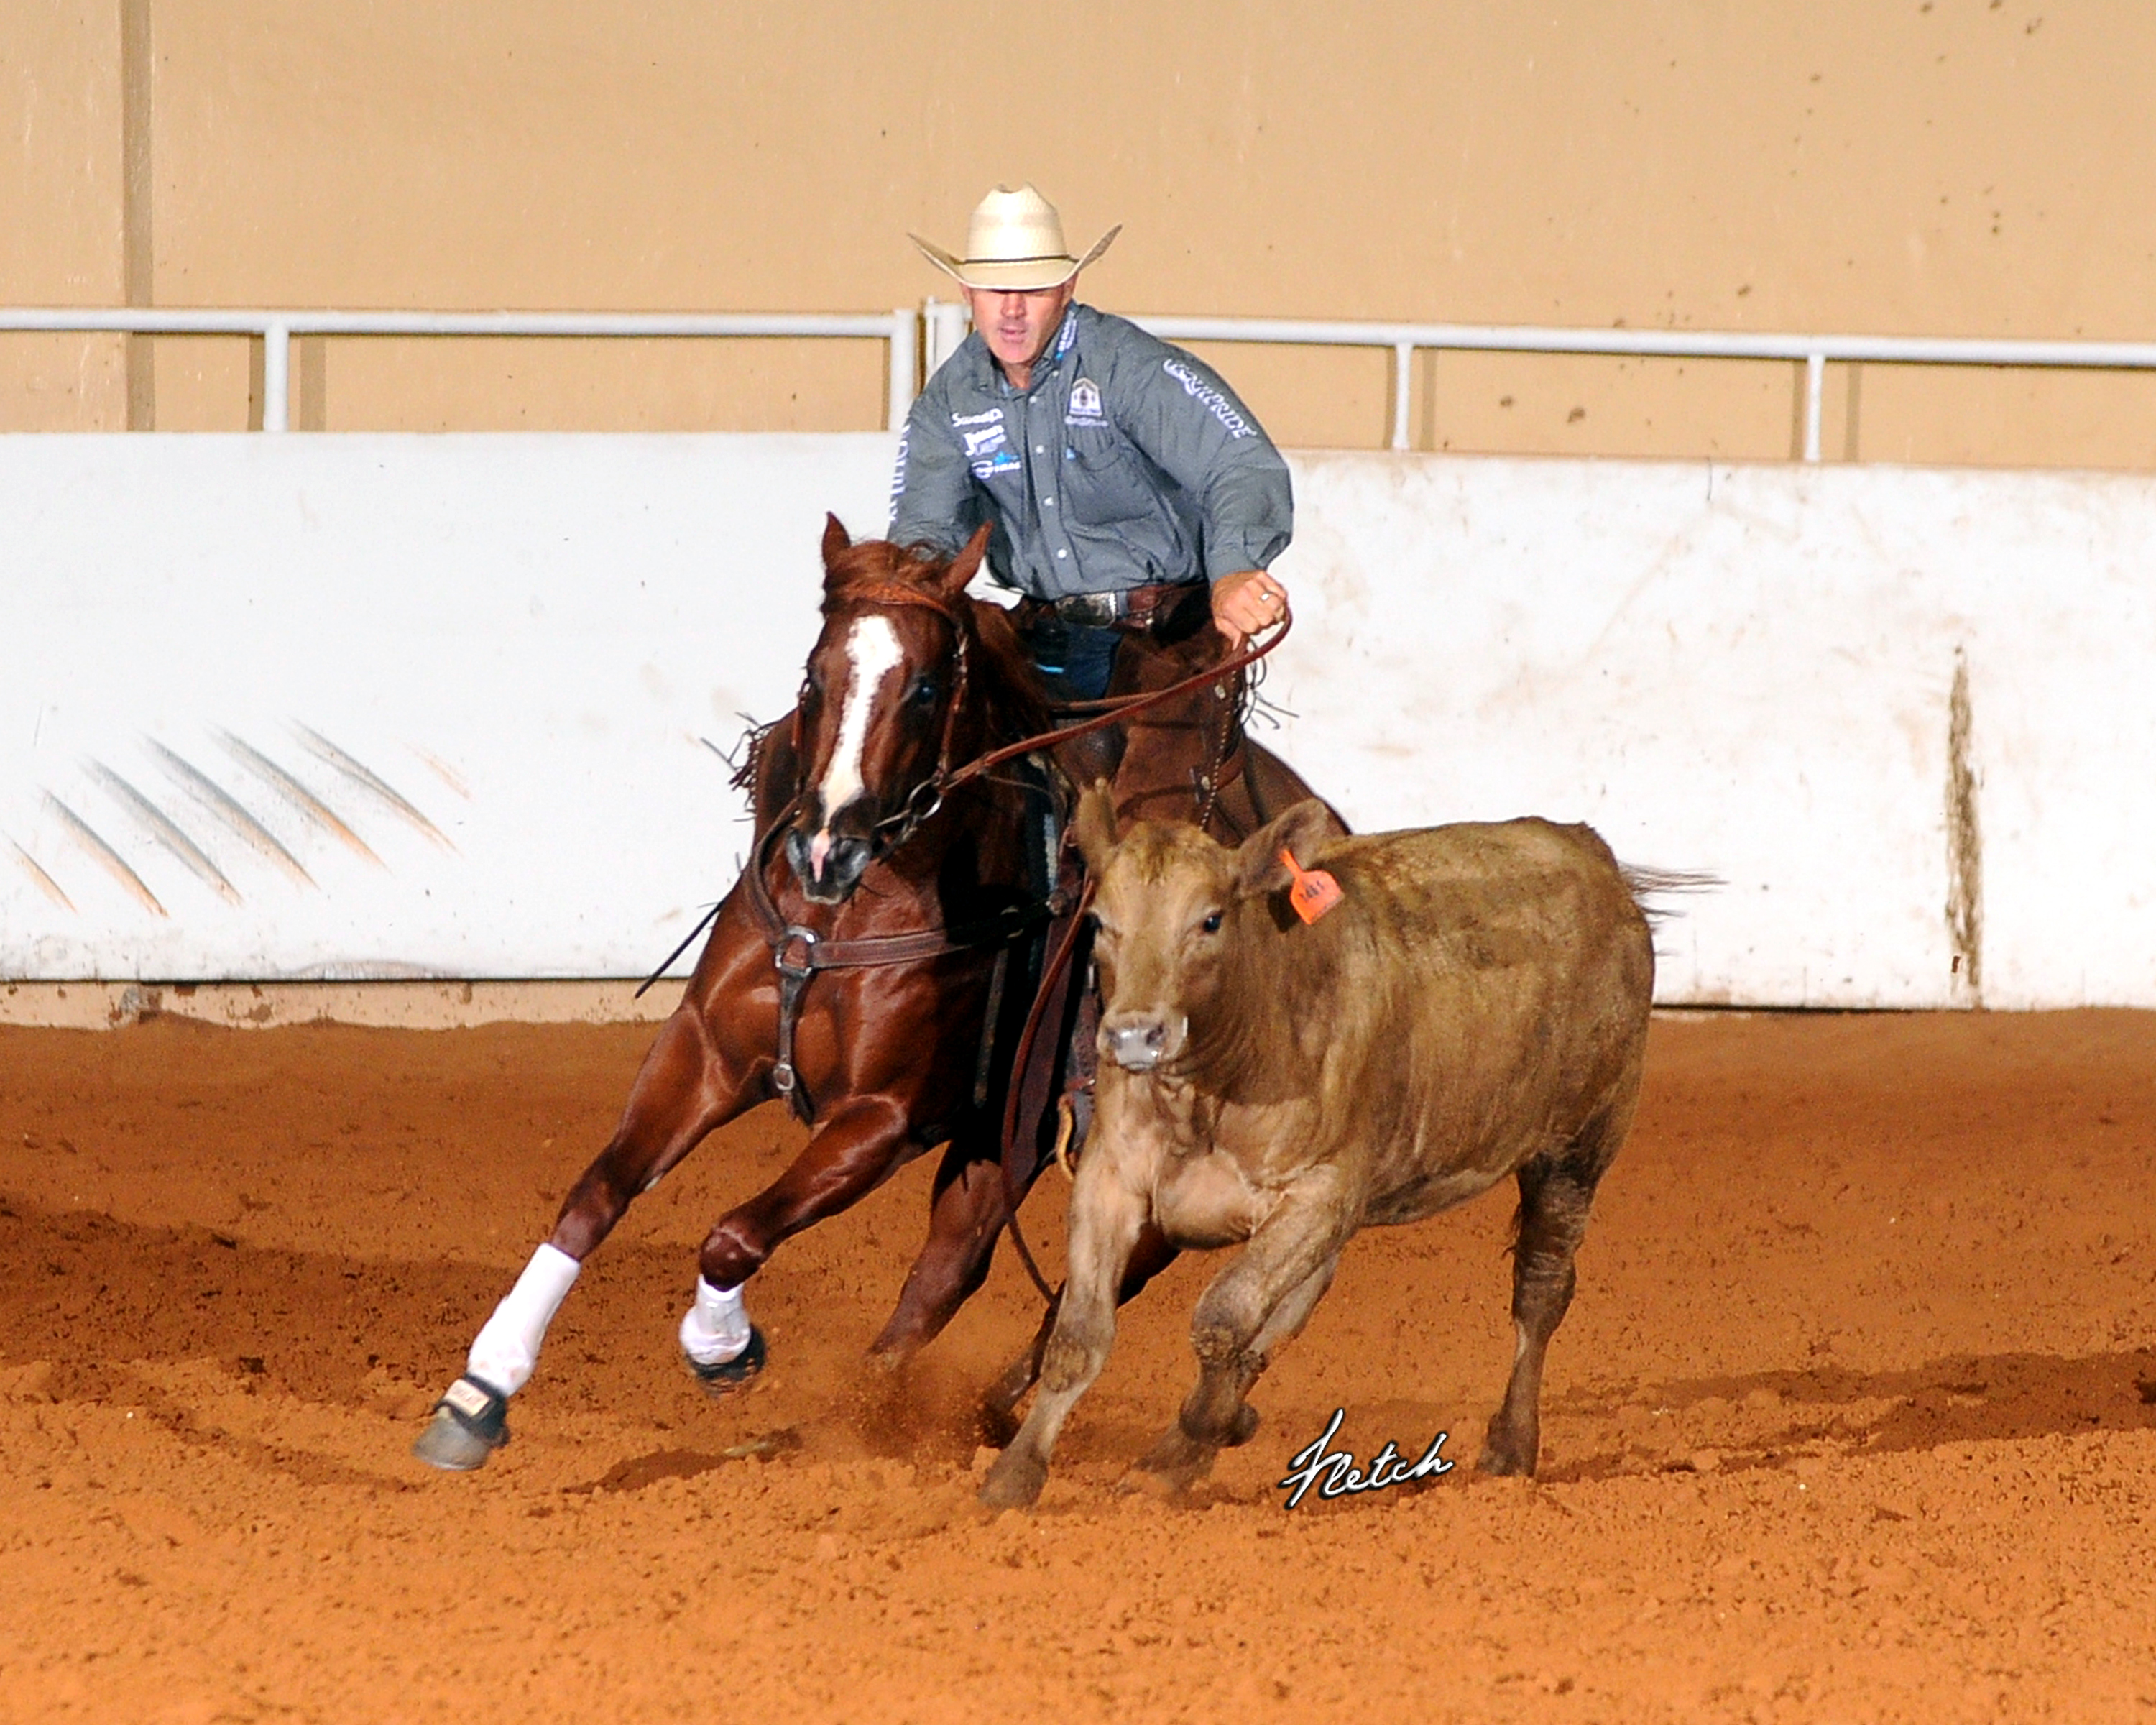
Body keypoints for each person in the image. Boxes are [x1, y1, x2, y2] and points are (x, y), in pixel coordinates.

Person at [889, 183, 1294, 700]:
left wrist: (1234, 569)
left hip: (1164, 637)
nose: (1011, 310)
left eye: (1034, 290)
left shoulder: (1129, 368)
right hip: (1040, 638)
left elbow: (1240, 465)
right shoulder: (949, 399)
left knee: (1153, 753)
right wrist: (901, 597)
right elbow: (927, 529)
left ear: (1067, 288)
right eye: (994, 290)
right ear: (968, 294)